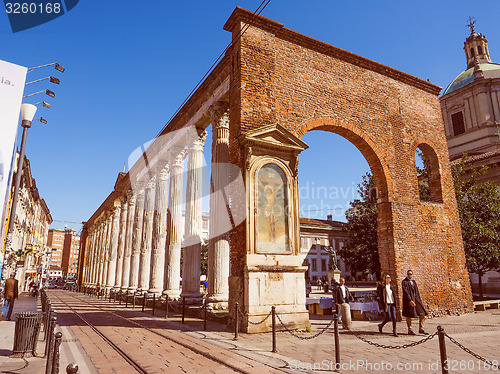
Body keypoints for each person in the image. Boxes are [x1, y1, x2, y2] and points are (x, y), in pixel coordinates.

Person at [402, 270, 427, 335]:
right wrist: (410, 300)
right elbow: (406, 292)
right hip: (408, 301)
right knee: (409, 315)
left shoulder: (413, 282)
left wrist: (418, 300)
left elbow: (416, 292)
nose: (409, 275)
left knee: (422, 313)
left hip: (416, 299)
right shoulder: (404, 282)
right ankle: (410, 330)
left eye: (410, 274)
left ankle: (421, 329)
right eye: (408, 274)